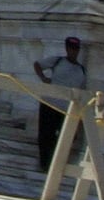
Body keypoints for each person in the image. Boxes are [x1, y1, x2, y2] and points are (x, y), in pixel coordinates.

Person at [32, 35, 89, 166]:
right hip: (50, 104)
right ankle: (45, 164)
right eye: (71, 48)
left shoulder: (81, 70)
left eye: (75, 49)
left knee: (66, 137)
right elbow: (37, 64)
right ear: (66, 48)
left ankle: (55, 162)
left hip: (67, 109)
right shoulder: (58, 61)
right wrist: (44, 78)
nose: (73, 51)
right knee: (46, 134)